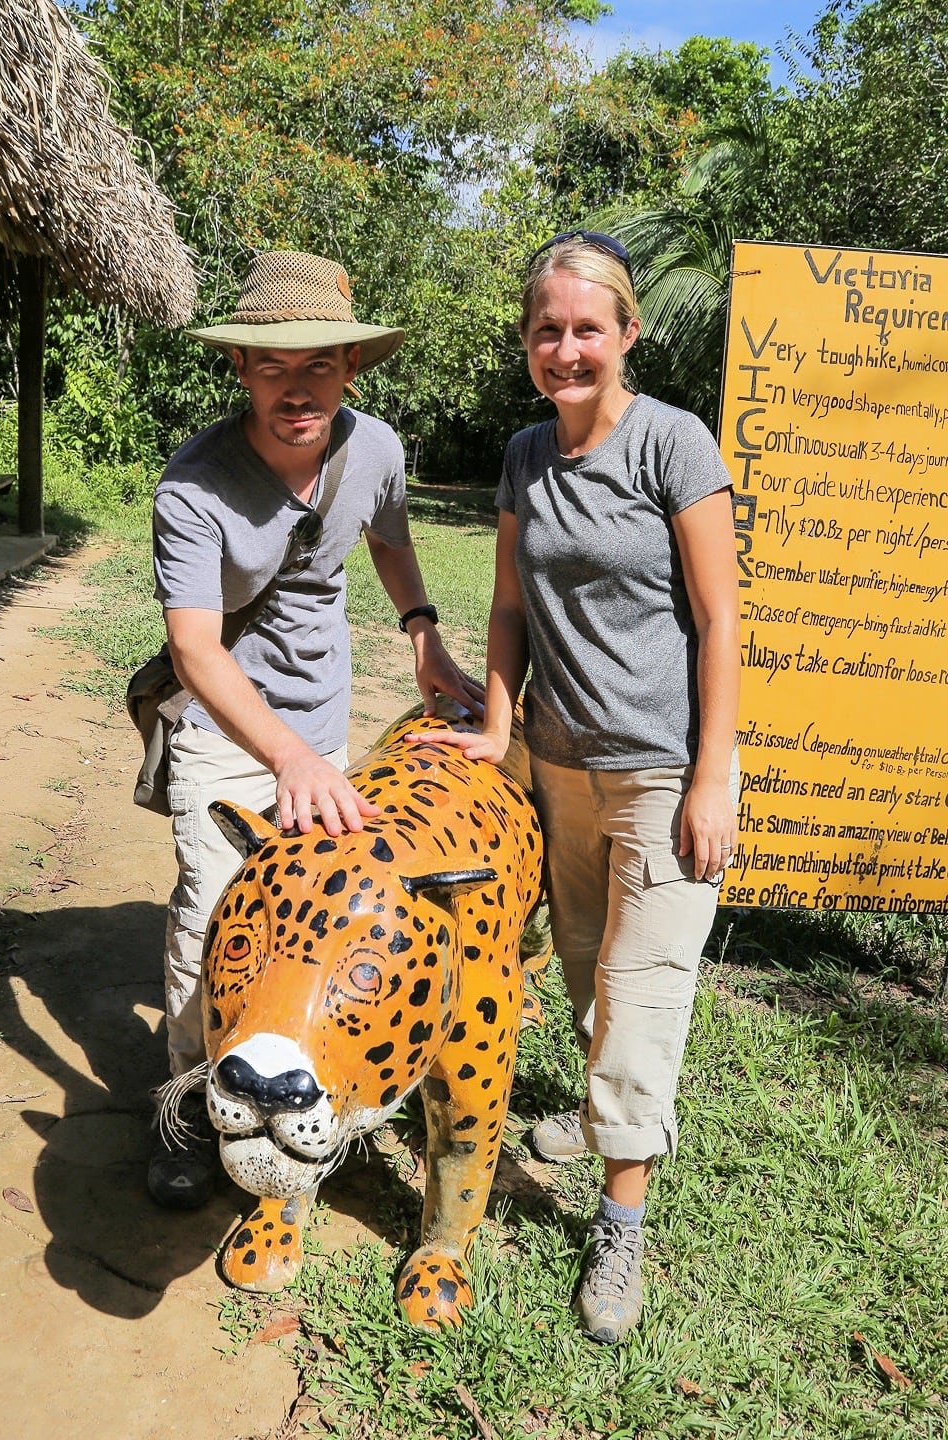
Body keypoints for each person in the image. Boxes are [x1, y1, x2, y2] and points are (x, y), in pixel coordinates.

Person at [422, 232, 740, 1343]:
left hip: (662, 774)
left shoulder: (672, 445)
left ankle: (620, 1221)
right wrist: (501, 729)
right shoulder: (522, 456)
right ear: (526, 341)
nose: (566, 348)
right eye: (546, 330)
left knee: (642, 998)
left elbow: (718, 618)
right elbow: (509, 609)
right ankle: (611, 1115)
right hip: (558, 766)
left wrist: (712, 774)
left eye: (586, 328)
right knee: (586, 969)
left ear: (628, 332)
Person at [149, 249, 483, 1209]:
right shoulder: (194, 486)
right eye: (273, 367)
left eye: (318, 366)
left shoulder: (374, 450)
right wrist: (285, 754)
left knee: (319, 922)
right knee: (214, 917)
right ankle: (181, 1106)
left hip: (324, 726)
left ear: (350, 364)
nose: (297, 389)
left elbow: (390, 540)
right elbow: (196, 654)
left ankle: (308, 1084)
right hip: (229, 726)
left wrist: (421, 634)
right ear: (241, 369)